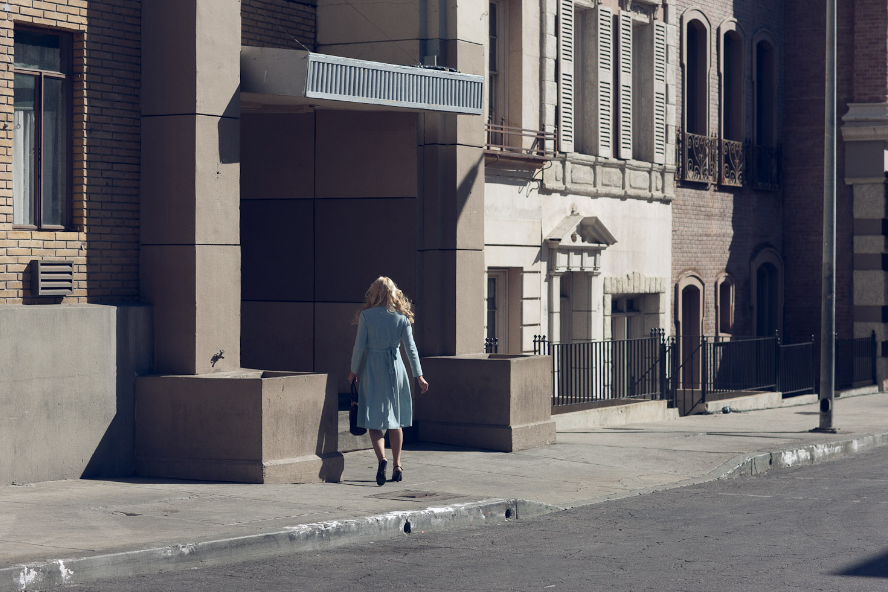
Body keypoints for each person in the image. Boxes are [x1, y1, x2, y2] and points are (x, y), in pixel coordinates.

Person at [348, 277, 429, 486]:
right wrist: (419, 376)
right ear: (393, 293)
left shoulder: (366, 316)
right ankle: (397, 465)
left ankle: (382, 459)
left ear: (374, 293)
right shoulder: (401, 317)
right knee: (395, 419)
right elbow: (411, 349)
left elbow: (359, 347)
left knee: (374, 419)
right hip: (395, 367)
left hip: (372, 368)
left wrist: (353, 371)